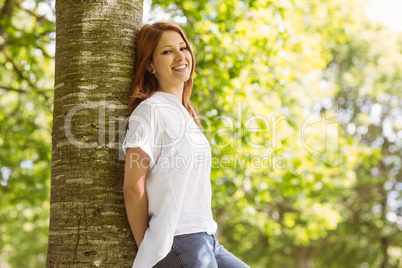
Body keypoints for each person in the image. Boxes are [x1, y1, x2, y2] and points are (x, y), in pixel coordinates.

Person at [122, 22, 250, 268]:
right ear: (150, 65)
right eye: (167, 51)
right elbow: (132, 186)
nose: (180, 56)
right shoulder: (151, 109)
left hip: (207, 239)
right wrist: (149, 247)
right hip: (180, 238)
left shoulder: (186, 115)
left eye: (183, 48)